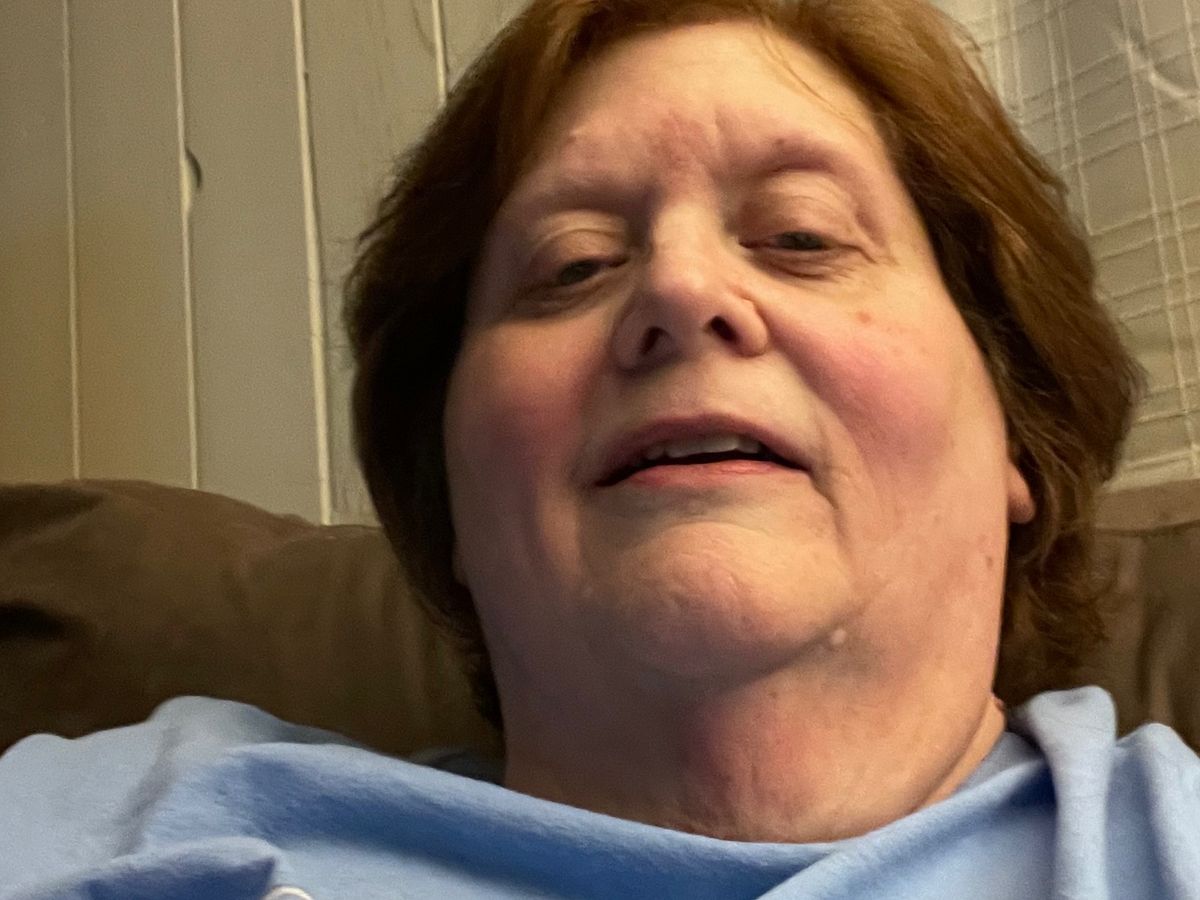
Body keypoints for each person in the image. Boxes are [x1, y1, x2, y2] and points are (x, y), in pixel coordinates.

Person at [2, 0, 1198, 897]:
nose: (678, 289)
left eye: (802, 235)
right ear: (451, 495)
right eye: (572, 265)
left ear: (1015, 425)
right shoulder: (121, 815)